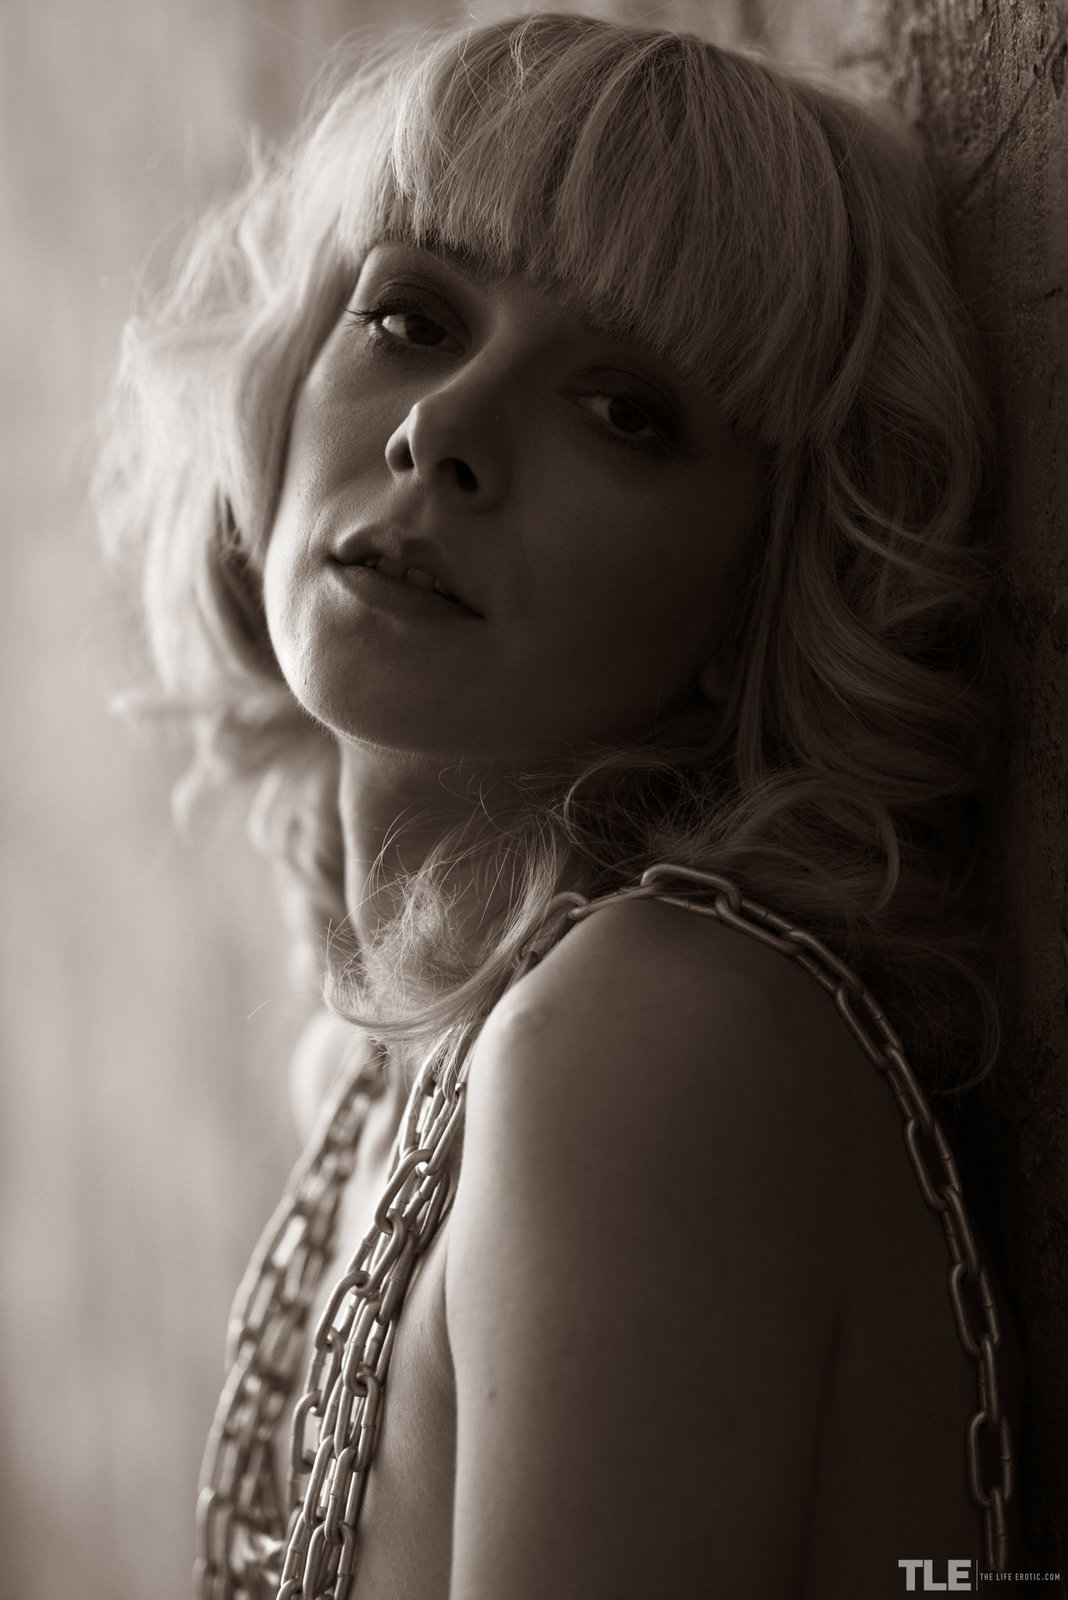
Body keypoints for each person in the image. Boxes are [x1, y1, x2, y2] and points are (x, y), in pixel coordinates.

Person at [97, 13, 1022, 1597]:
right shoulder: (410, 1058)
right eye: (410, 316)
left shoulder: (650, 1036)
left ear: (761, 599)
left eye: (624, 411)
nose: (444, 431)